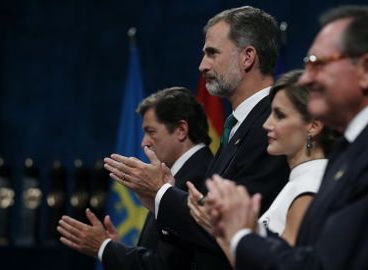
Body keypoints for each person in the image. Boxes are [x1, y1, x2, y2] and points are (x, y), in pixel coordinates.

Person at [205, 5, 368, 270]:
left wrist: (241, 236)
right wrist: (252, 229)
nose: (307, 80)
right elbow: (310, 248)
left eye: (317, 64)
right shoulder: (356, 146)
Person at [105, 6, 290, 269]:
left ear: (248, 57)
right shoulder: (239, 126)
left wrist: (163, 193)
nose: (202, 65)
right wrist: (163, 197)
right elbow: (205, 225)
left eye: (212, 53)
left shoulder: (270, 125)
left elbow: (232, 227)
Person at [187, 70, 338, 266]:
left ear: (313, 125)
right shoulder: (300, 182)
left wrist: (234, 233)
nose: (267, 124)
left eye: (280, 115)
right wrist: (225, 230)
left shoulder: (307, 188)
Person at [57, 87, 214, 270]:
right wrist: (119, 249)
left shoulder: (197, 178)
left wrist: (104, 248)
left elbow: (162, 266)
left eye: (151, 131)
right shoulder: (181, 174)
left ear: (181, 130)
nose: (144, 142)